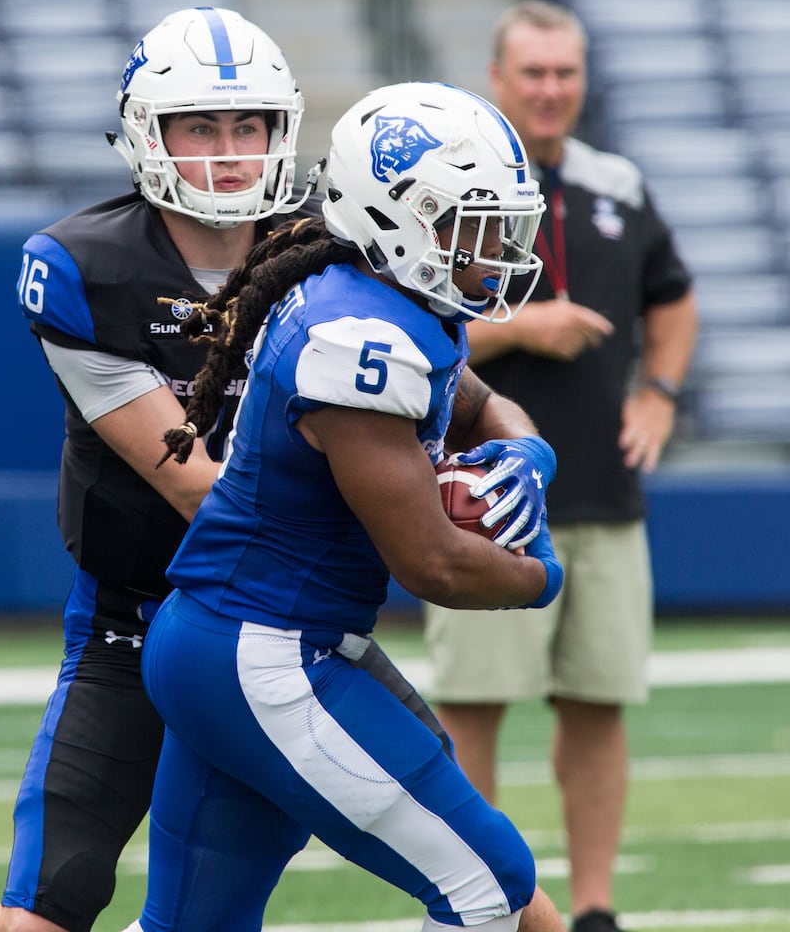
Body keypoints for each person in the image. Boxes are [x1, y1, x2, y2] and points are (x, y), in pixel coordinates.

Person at [122, 81, 568, 932]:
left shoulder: (383, 294)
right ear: (397, 218)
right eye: (469, 224)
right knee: (488, 887)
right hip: (266, 653)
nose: (493, 248)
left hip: (228, 641)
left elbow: (481, 405)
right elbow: (430, 561)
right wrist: (542, 575)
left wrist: (528, 451)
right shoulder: (357, 343)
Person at [0, 6, 328, 932]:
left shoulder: (334, 253)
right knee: (44, 906)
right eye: (199, 126)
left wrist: (508, 450)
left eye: (247, 124)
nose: (227, 151)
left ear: (279, 131)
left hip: (289, 632)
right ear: (146, 135)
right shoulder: (85, 268)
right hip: (136, 623)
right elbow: (196, 484)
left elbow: (459, 398)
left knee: (497, 879)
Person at [423, 0, 699, 932]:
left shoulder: (618, 183)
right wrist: (521, 326)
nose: (550, 90)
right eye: (532, 72)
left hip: (604, 497)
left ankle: (592, 910)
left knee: (598, 702)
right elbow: (411, 331)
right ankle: (478, 904)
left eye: (565, 72)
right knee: (474, 707)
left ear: (583, 79)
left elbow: (675, 297)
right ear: (496, 78)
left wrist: (659, 391)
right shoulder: (444, 182)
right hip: (481, 495)